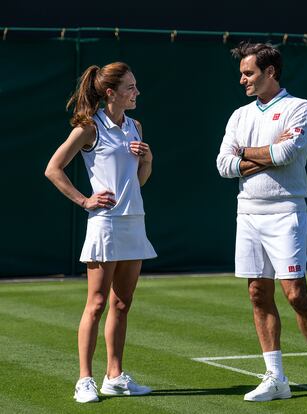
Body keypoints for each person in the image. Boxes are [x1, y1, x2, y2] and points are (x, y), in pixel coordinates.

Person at [216, 42, 307, 406]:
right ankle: (275, 377)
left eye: (249, 73)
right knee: (258, 293)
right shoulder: (239, 116)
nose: (243, 79)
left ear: (270, 72)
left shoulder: (300, 108)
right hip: (247, 213)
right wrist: (260, 154)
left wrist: (243, 152)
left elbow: (286, 154)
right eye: (243, 73)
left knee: (294, 293)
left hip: (286, 212)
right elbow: (223, 166)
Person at [45, 62, 157, 403]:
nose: (136, 92)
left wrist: (148, 160)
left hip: (134, 221)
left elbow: (135, 183)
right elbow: (53, 168)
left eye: (135, 86)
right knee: (96, 304)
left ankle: (115, 376)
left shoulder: (135, 126)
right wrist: (85, 200)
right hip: (105, 224)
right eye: (130, 87)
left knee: (122, 304)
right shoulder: (89, 127)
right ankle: (84, 379)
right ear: (111, 93)